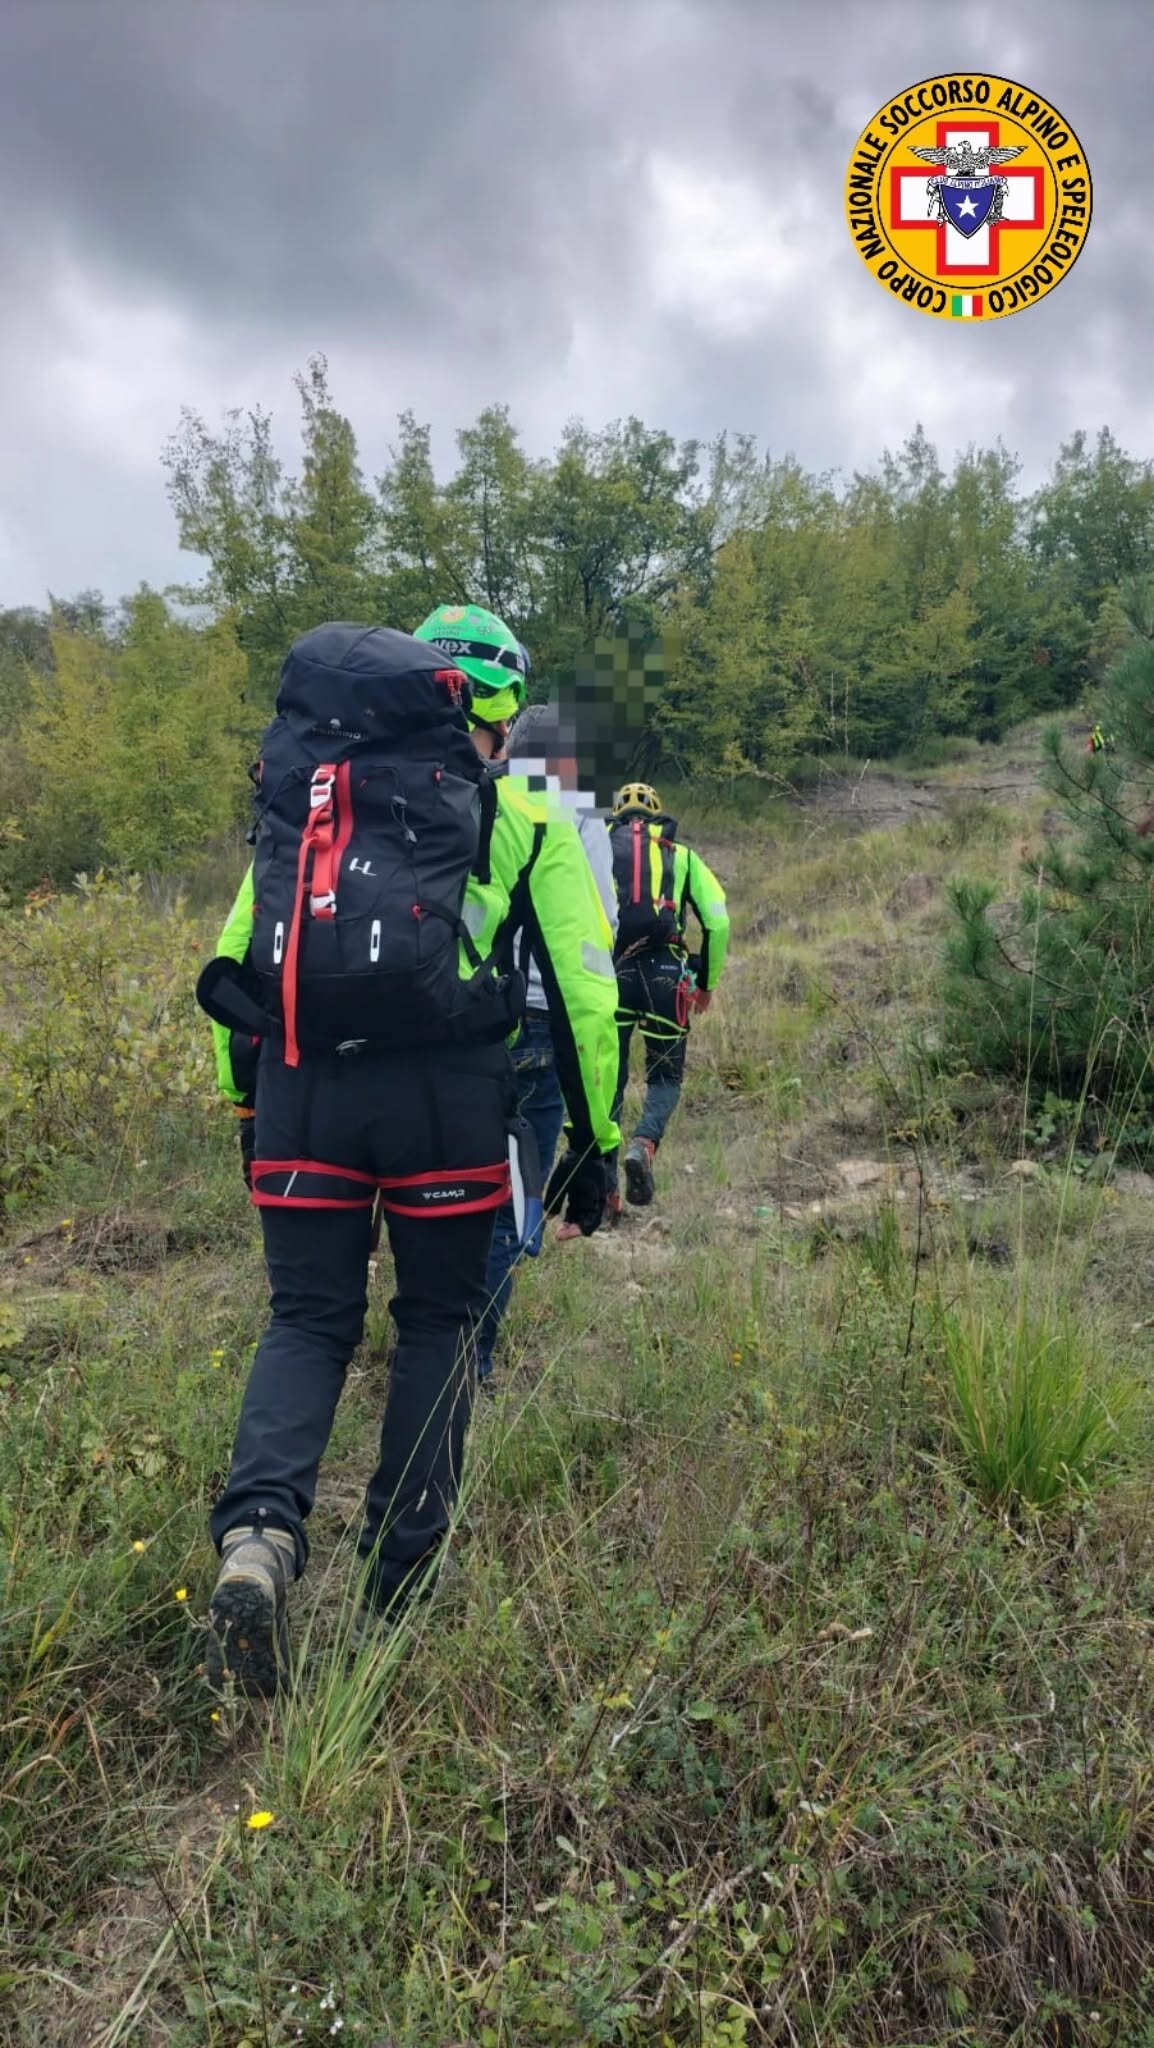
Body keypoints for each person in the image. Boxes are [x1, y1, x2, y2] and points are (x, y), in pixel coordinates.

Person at [195, 608, 620, 1696]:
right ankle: (396, 1583)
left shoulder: (311, 795)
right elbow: (581, 986)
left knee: (305, 1319)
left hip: (302, 1095)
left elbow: (236, 959)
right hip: (446, 1102)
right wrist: (596, 1141)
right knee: (436, 1319)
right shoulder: (520, 807)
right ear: (500, 708)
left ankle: (257, 1537)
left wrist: (248, 1103)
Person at [476, 697, 619, 1383]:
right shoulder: (574, 819)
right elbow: (597, 936)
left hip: (468, 1019)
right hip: (540, 1022)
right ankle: (468, 1360)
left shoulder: (477, 798)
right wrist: (600, 1135)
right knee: (508, 1202)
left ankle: (432, 1340)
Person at [607, 781, 729, 1207]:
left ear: (618, 815)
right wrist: (707, 985)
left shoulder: (597, 849)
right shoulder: (683, 856)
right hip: (666, 979)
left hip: (612, 977)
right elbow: (718, 921)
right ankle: (643, 1145)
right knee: (665, 1077)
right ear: (657, 815)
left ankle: (604, 1190)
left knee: (610, 1079)